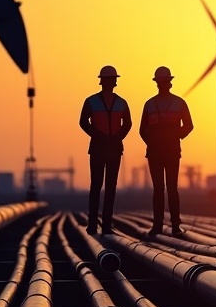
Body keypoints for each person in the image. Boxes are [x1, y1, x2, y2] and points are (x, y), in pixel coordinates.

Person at [139, 65, 194, 237]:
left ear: (169, 83)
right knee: (160, 189)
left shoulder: (178, 103)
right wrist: (156, 143)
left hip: (170, 151)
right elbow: (142, 130)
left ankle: (174, 225)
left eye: (164, 82)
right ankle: (159, 226)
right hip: (159, 152)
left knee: (170, 188)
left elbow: (189, 126)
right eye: (161, 82)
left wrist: (173, 138)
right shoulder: (150, 104)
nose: (163, 85)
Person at [78, 65, 132, 234]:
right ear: (105, 81)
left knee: (110, 187)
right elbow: (83, 122)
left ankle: (106, 225)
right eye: (112, 79)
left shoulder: (122, 103)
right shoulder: (91, 101)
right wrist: (99, 135)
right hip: (98, 148)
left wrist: (117, 137)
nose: (113, 81)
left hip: (114, 148)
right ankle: (93, 224)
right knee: (96, 186)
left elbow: (128, 124)